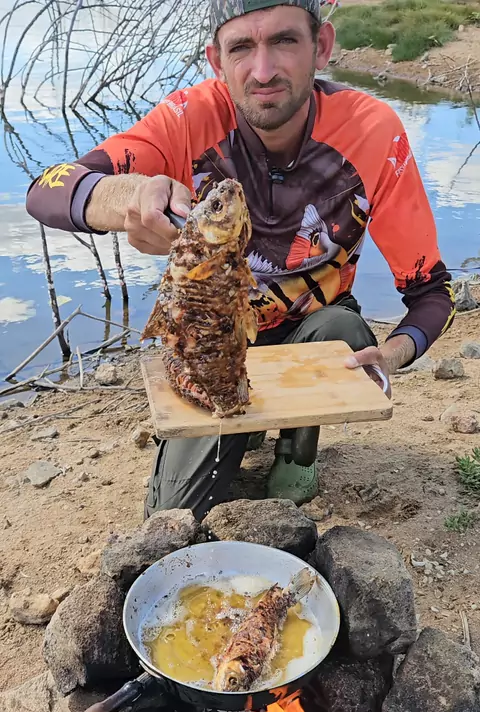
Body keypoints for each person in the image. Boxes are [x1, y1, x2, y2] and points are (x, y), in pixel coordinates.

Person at [25, 0, 455, 520]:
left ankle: (297, 449)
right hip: (210, 337)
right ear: (217, 61)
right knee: (173, 515)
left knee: (342, 327)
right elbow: (47, 189)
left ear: (321, 47)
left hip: (311, 332)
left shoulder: (373, 130)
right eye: (242, 47)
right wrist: (129, 195)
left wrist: (393, 355)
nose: (263, 70)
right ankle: (237, 427)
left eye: (285, 41)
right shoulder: (187, 117)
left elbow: (432, 292)